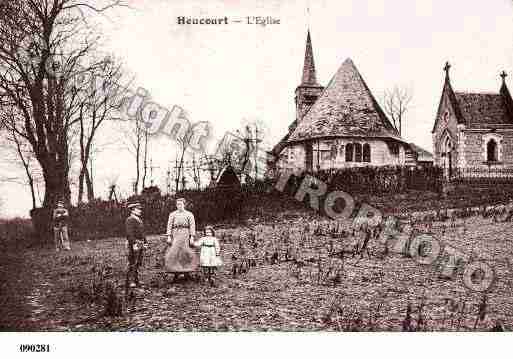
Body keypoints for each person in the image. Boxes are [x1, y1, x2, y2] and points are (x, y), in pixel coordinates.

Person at [165, 198, 199, 279]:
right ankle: (175, 272)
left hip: (185, 234)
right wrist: (169, 236)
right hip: (175, 234)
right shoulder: (172, 214)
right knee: (175, 252)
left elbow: (192, 226)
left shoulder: (189, 214)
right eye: (177, 204)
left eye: (181, 204)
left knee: (185, 252)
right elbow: (169, 226)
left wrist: (192, 237)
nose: (179, 206)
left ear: (184, 204)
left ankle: (187, 272)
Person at [125, 201, 148, 288]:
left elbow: (142, 233)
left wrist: (145, 242)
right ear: (132, 210)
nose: (140, 211)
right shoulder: (130, 220)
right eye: (138, 209)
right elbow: (129, 234)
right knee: (132, 262)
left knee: (138, 262)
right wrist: (134, 243)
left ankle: (136, 280)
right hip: (134, 243)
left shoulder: (139, 220)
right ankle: (131, 281)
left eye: (139, 209)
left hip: (140, 242)